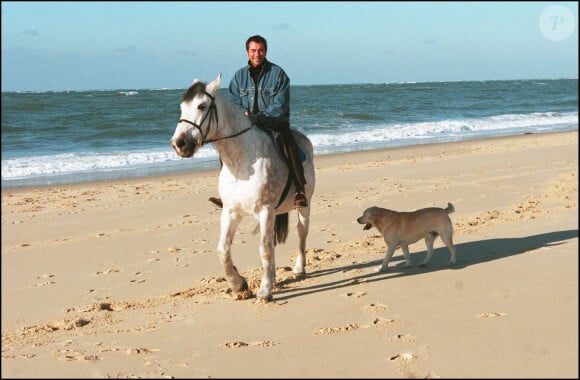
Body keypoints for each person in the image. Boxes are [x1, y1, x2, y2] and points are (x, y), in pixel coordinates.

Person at [209, 35, 308, 208]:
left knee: (288, 143)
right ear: (247, 52)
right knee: (225, 148)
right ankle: (226, 194)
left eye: (260, 50)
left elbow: (280, 105)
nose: (257, 54)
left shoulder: (278, 74)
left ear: (266, 51)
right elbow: (233, 102)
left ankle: (300, 189)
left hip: (274, 123)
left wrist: (258, 117)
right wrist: (244, 116)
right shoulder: (239, 77)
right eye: (253, 50)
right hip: (247, 126)